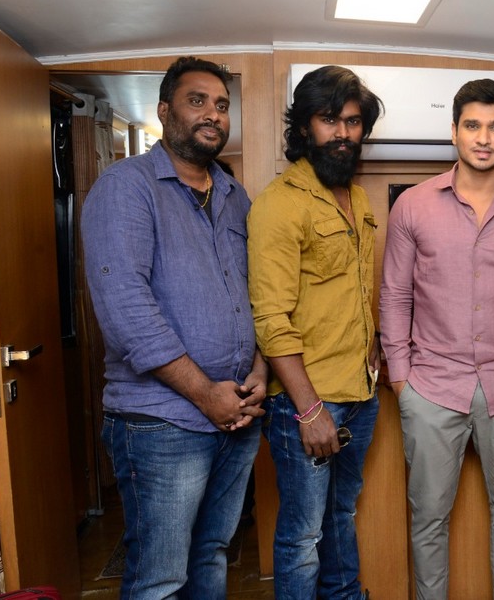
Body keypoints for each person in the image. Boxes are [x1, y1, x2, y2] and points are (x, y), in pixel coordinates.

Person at [82, 56, 267, 599]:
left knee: (211, 555)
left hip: (238, 412)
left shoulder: (233, 196)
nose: (213, 114)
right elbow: (125, 309)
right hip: (162, 422)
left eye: (222, 105)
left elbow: (259, 292)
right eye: (197, 101)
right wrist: (206, 394)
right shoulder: (125, 187)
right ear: (164, 111)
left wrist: (259, 371)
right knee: (160, 578)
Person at [380, 78, 494, 600]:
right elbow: (394, 295)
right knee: (427, 517)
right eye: (473, 126)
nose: (484, 138)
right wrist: (401, 381)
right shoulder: (413, 206)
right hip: (430, 388)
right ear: (454, 131)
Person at [247, 65, 383, 600]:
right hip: (306, 401)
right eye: (329, 120)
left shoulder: (359, 199)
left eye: (353, 122)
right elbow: (270, 318)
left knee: (341, 514)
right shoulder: (279, 203)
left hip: (360, 394)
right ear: (304, 127)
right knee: (303, 536)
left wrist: (374, 349)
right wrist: (309, 410)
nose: (343, 133)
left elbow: (355, 292)